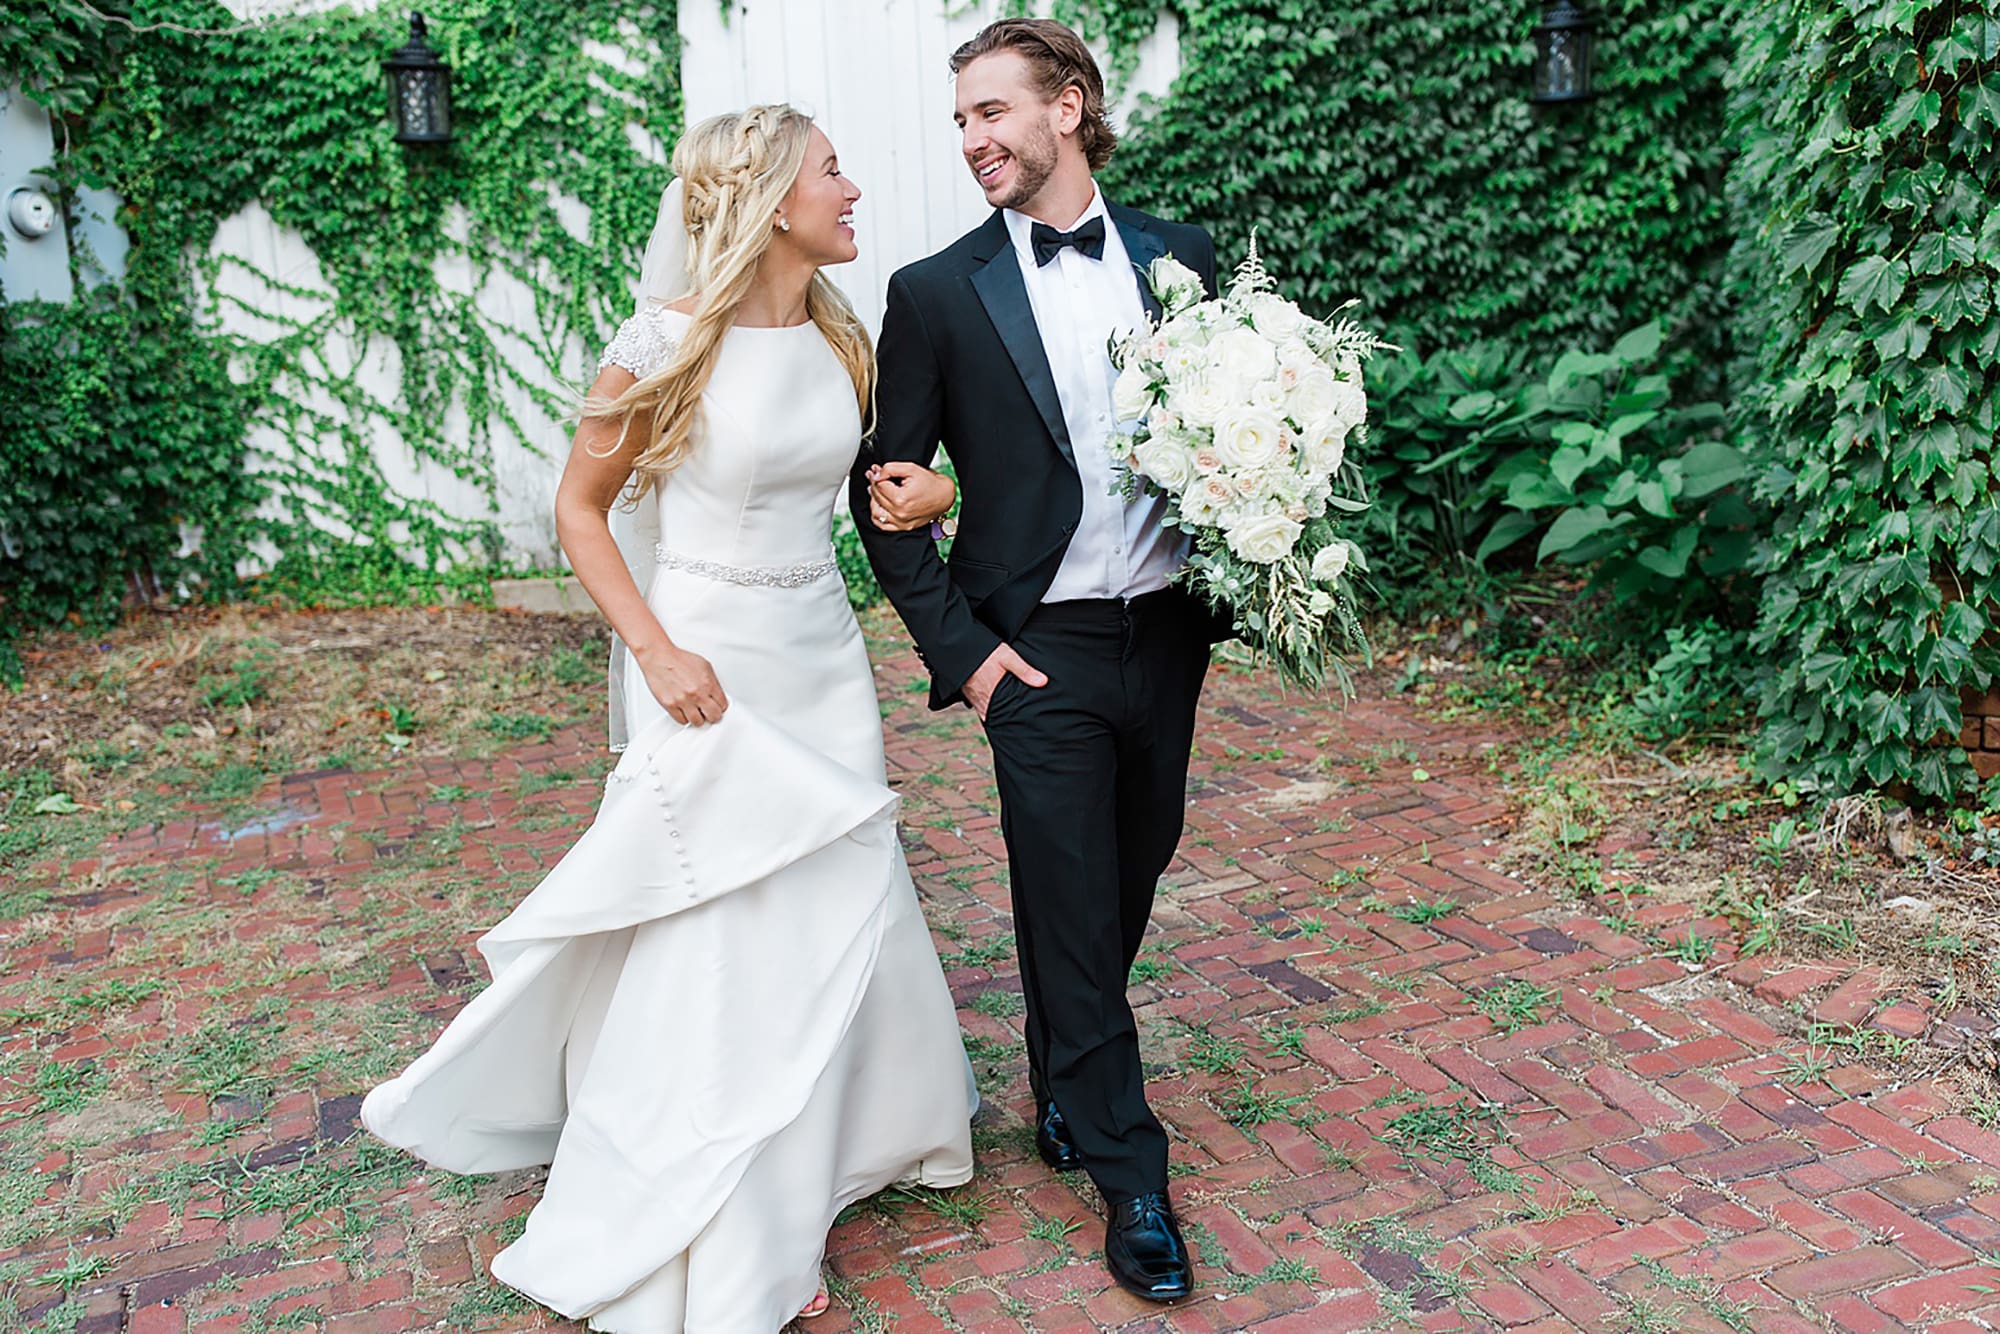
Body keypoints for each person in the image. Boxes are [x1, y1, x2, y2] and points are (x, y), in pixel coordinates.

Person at [361, 105, 971, 1333]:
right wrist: (656, 649)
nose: (852, 188)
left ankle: (858, 1127)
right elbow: (579, 513)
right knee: (721, 914)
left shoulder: (840, 334)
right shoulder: (659, 341)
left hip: (818, 652)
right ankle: (716, 1185)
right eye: (831, 169)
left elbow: (868, 487)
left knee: (834, 884)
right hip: (704, 655)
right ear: (765, 197)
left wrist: (938, 487)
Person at [850, 17, 1234, 1305]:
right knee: (1069, 896)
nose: (971, 140)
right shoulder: (935, 293)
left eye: (992, 112)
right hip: (1037, 651)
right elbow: (883, 492)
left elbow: (1234, 432)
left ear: (1067, 107)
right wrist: (962, 655)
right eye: (960, 118)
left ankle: (1066, 1070)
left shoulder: (1183, 259)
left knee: (1129, 867)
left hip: (1167, 631)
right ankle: (1128, 1169)